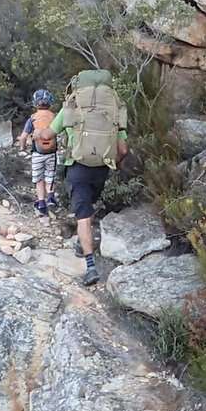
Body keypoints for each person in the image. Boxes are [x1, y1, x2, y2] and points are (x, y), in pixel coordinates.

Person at [50, 69, 129, 286]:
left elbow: (49, 134)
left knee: (83, 215)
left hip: (77, 167)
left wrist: (37, 135)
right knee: (89, 206)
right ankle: (81, 242)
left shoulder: (72, 105)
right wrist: (117, 165)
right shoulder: (113, 109)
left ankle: (90, 266)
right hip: (101, 167)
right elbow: (123, 149)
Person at [17, 89, 60, 217]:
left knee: (38, 178)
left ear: (35, 103)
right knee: (49, 176)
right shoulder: (54, 117)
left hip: (37, 153)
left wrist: (22, 148)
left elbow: (24, 137)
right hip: (51, 153)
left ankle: (41, 203)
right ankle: (51, 196)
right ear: (50, 102)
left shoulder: (32, 119)